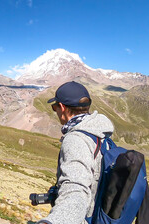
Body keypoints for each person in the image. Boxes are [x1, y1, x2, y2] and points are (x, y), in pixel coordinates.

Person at [37, 81, 114, 224]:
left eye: (55, 108)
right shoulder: (100, 133)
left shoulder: (76, 140)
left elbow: (76, 189)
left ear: (62, 107)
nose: (56, 112)